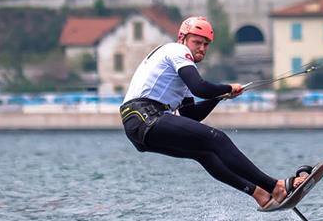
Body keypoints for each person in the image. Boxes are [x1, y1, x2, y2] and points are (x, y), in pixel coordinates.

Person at [119, 15, 308, 209]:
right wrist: (226, 88)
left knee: (205, 153)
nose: (201, 48)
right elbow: (199, 87)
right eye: (197, 42)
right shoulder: (176, 50)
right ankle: (275, 186)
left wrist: (218, 97)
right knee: (217, 138)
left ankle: (260, 195)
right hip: (144, 115)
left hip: (139, 126)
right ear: (182, 38)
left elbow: (191, 115)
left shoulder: (181, 70)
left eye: (206, 44)